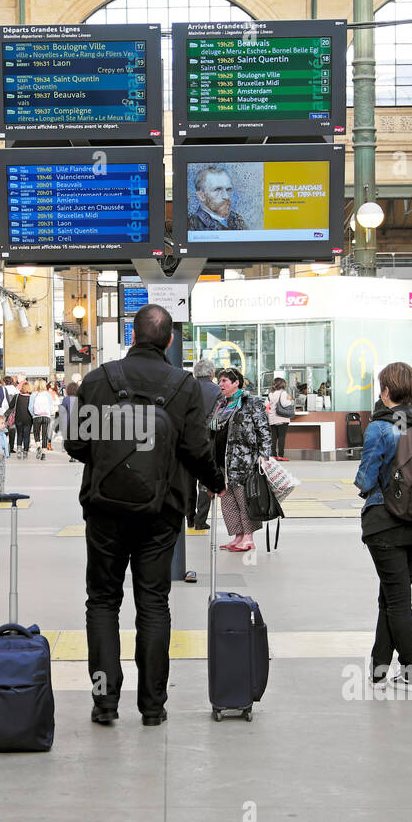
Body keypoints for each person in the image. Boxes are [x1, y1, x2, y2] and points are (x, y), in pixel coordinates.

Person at [65, 304, 223, 726]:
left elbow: (75, 445)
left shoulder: (99, 379)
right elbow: (196, 450)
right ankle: (152, 707)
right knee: (153, 604)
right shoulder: (184, 385)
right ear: (170, 341)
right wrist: (217, 481)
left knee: (101, 602)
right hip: (161, 512)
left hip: (104, 511)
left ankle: (104, 703)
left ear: (131, 335)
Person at [355, 362, 412, 690]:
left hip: (386, 524)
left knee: (396, 599)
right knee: (392, 595)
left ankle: (411, 667)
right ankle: (379, 666)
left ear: (386, 391)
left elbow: (365, 479)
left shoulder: (380, 427)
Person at [209, 367, 271, 553]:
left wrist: (264, 455)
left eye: (225, 381)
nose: (221, 384)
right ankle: (238, 535)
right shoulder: (221, 403)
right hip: (222, 460)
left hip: (243, 459)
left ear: (236, 383)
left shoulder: (251, 402)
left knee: (244, 499)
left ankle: (249, 537)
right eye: (220, 381)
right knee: (227, 500)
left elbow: (264, 429)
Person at [187, 359, 221, 531]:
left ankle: (190, 518)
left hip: (187, 438)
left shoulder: (187, 387)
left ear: (195, 373)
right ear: (212, 373)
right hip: (209, 439)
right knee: (204, 481)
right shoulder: (218, 391)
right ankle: (201, 520)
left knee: (188, 479)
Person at [187, 164, 247, 231]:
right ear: (201, 196)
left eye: (228, 189)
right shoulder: (192, 225)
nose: (226, 196)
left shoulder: (237, 220)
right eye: (217, 190)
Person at [265, 377, 294, 460]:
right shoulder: (283, 393)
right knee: (281, 437)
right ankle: (281, 455)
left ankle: (273, 455)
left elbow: (266, 405)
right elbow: (284, 404)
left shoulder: (270, 394)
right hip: (282, 418)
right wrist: (290, 401)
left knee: (273, 438)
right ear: (283, 384)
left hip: (272, 419)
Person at [29, 378, 53, 459]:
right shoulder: (48, 394)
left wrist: (34, 415)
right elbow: (51, 407)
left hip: (37, 416)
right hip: (46, 416)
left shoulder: (33, 394)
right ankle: (43, 455)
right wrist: (49, 414)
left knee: (36, 433)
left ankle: (38, 447)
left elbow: (30, 407)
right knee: (45, 435)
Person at [14, 379, 34, 458]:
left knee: (19, 434)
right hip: (28, 419)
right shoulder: (31, 397)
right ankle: (25, 452)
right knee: (27, 435)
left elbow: (11, 406)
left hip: (18, 418)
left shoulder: (17, 396)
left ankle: (19, 449)